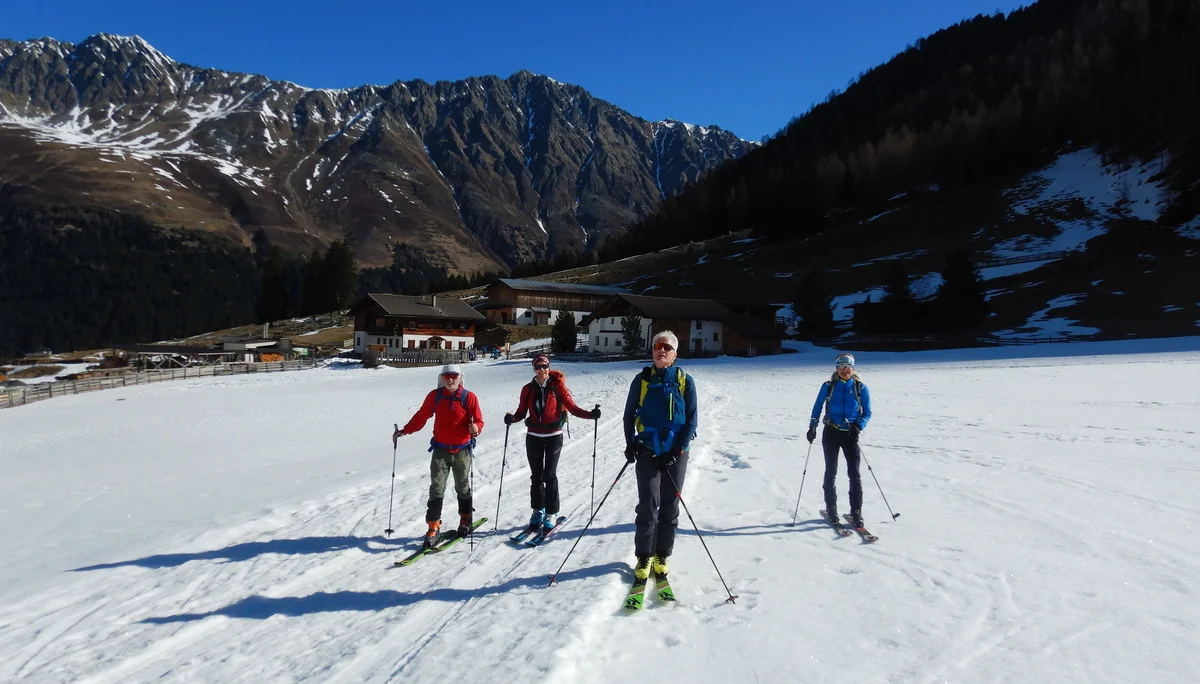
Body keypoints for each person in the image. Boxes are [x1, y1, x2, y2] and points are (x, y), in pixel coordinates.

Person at [622, 331, 697, 582]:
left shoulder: (686, 381)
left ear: (675, 354)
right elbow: (628, 414)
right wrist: (630, 444)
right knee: (647, 504)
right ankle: (644, 555)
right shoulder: (641, 380)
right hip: (647, 449)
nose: (660, 350)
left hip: (676, 452)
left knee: (670, 504)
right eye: (656, 346)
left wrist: (677, 451)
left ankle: (662, 554)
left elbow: (692, 420)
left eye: (666, 347)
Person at [503, 353, 601, 532]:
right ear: (534, 368)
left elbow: (572, 407)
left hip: (554, 436)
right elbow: (521, 412)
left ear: (549, 367)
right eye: (539, 367)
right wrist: (512, 418)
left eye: (545, 366)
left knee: (550, 475)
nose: (542, 370)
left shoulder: (558, 387)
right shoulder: (528, 389)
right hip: (533, 436)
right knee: (536, 476)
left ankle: (551, 513)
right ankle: (538, 510)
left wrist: (590, 414)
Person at [393, 363, 484, 546]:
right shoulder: (435, 396)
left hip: (462, 450)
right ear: (442, 378)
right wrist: (404, 431)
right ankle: (433, 526)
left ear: (460, 378)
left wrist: (476, 428)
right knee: (436, 487)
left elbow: (479, 421)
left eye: (454, 376)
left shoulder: (469, 397)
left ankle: (465, 518)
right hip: (440, 450)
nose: (450, 379)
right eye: (446, 376)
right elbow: (421, 417)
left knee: (462, 486)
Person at [806, 353, 872, 528]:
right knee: (831, 471)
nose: (845, 370)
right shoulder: (828, 386)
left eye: (848, 366)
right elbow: (817, 406)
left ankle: (856, 512)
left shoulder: (860, 388)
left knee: (854, 474)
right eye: (841, 367)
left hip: (850, 435)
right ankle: (832, 509)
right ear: (836, 368)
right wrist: (812, 426)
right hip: (831, 433)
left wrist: (859, 426)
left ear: (853, 368)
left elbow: (867, 412)